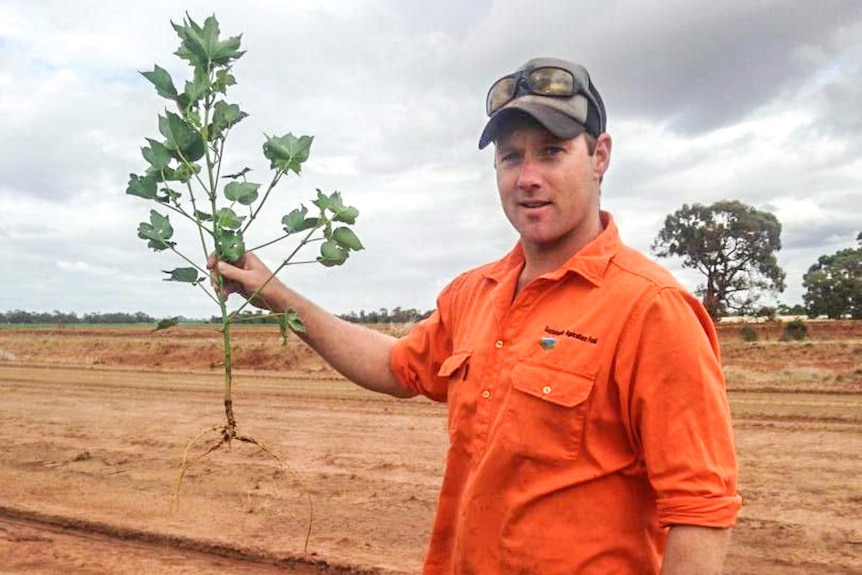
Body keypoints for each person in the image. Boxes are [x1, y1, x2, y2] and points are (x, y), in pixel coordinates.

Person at [209, 57, 742, 574]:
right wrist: (279, 297)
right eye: (512, 157)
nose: (528, 177)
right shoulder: (475, 293)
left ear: (599, 155)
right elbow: (395, 365)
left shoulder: (651, 309)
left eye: (552, 152)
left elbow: (699, 509)